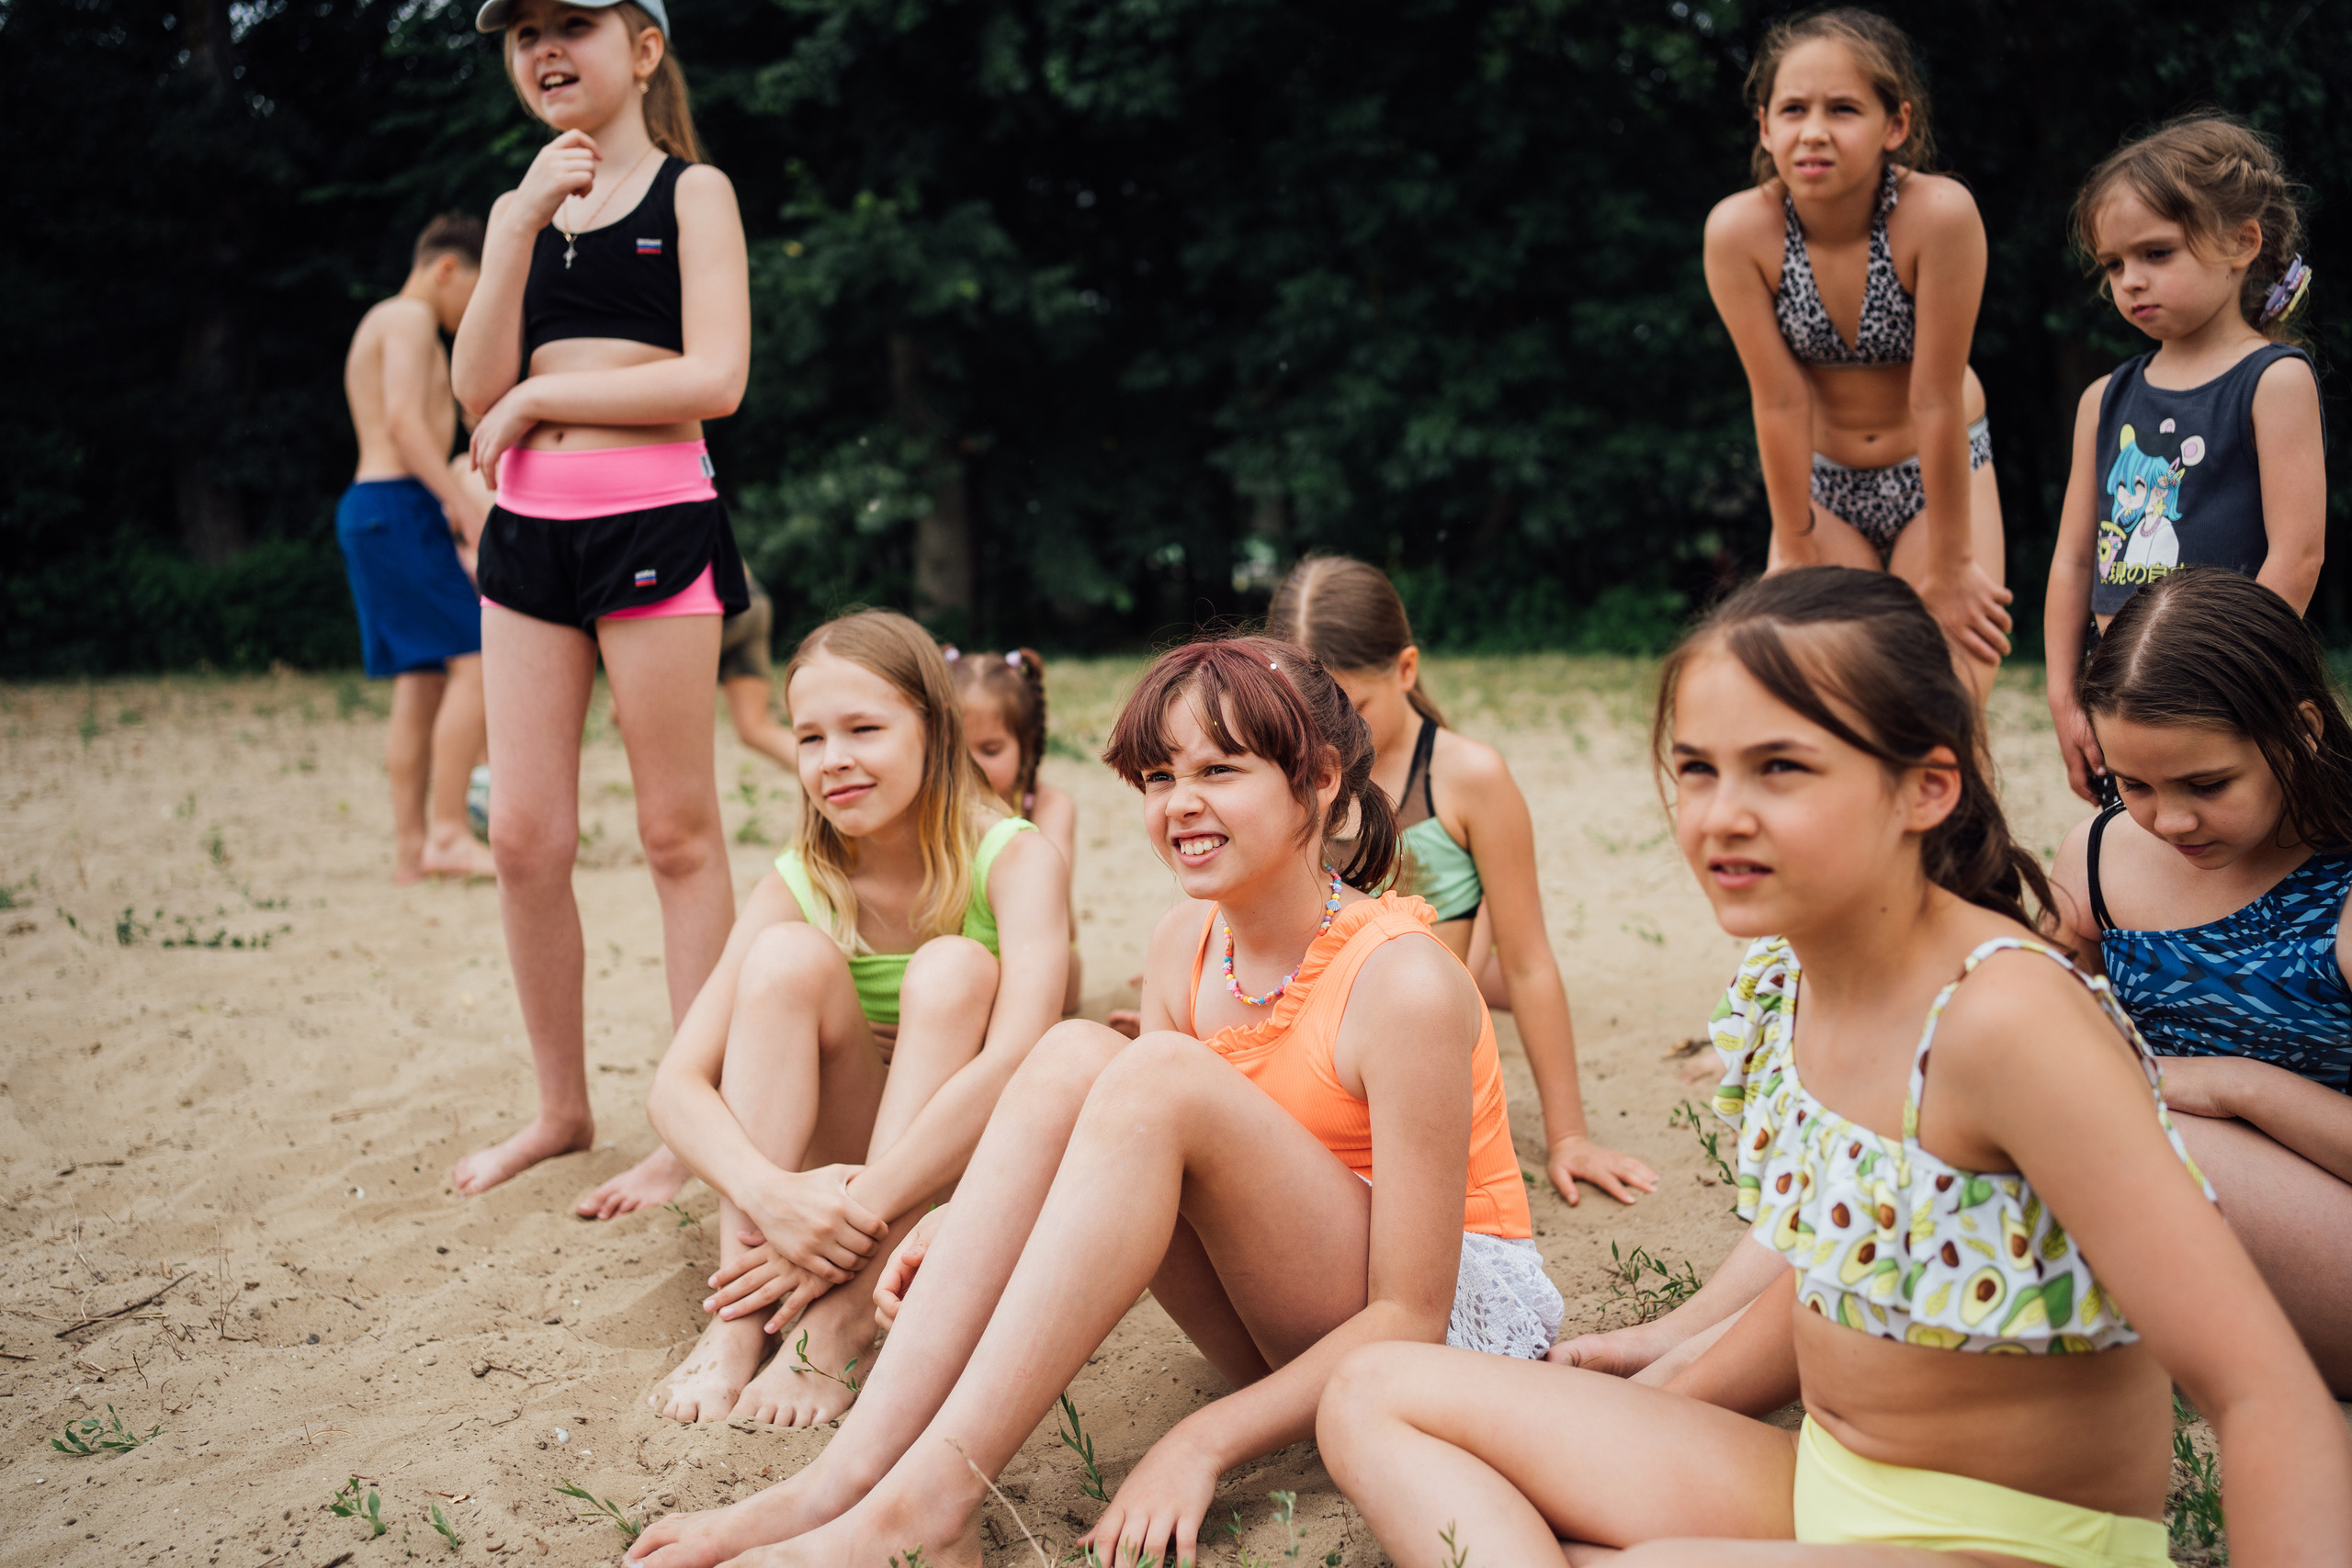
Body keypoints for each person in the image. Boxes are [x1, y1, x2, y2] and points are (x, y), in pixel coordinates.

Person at [1316, 568, 2352, 1567]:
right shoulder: (1799, 977)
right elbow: (1845, 1262)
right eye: (1696, 768)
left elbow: (2264, 1392)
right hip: (1825, 1484)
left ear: (1924, 788)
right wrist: (1658, 1388)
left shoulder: (2005, 1019)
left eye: (1782, 768)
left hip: (1999, 1542)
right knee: (1370, 1394)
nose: (1722, 814)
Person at [623, 635, 1559, 1568]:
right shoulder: (1183, 942)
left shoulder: (1403, 982)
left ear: (1317, 778)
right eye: (1157, 777)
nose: (1180, 804)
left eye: (1220, 770)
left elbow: (1410, 1316)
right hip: (1281, 1321)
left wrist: (1200, 1441)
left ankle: (927, 1506)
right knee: (1078, 1052)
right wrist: (970, 1223)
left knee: (1149, 1071)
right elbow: (1130, 1161)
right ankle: (843, 1482)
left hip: (1435, 1356)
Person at [448, 0, 752, 1218]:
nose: (544, 50)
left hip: (654, 523)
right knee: (524, 834)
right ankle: (561, 1105)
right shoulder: (520, 208)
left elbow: (717, 377)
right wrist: (517, 220)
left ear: (642, 48)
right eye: (521, 34)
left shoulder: (694, 196)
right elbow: (474, 387)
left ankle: (691, 1123)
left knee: (678, 832)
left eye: (572, 22)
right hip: (528, 538)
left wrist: (533, 405)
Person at [639, 611, 1066, 1427]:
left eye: (864, 728)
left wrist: (857, 1206)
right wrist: (771, 1193)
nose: (833, 760)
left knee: (954, 968)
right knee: (784, 959)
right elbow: (675, 1087)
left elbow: (1019, 1059)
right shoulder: (800, 878)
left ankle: (840, 1321)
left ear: (934, 731)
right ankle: (737, 1324)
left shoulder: (1012, 858)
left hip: (958, 1178)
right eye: (809, 738)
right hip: (824, 1184)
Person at [1268, 554, 1657, 1207]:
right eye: (1306, 715)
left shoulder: (1467, 777)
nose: (1326, 736)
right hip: (1313, 1042)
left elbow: (1530, 961)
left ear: (1407, 669)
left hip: (1409, 1043)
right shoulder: (1288, 770)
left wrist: (1569, 1137)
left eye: (1353, 707)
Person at [2046, 569, 2352, 1394]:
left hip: (2327, 1255)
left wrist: (2238, 1086)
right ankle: (1688, 1343)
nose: (2170, 820)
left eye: (2206, 784)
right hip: (2175, 1240)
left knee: (2111, 1133)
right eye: (2133, 784)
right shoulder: (2101, 858)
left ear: (2302, 730)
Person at [1702, 8, 2010, 702]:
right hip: (1826, 484)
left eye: (1843, 109)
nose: (1814, 131)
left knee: (1948, 695)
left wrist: (1955, 563)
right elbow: (1779, 398)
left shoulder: (1938, 216)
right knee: (1838, 696)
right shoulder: (1740, 232)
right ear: (1764, 127)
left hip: (1940, 474)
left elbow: (1935, 396)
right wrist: (1793, 542)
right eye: (1792, 109)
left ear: (1894, 126)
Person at [2043, 115, 2325, 804]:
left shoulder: (2272, 380)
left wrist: (2224, 677)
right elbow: (2076, 560)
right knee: (2141, 871)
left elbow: (2298, 555)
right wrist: (2064, 694)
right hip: (2121, 705)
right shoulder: (2103, 400)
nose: (2130, 281)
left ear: (2242, 243)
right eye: (2114, 264)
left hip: (2230, 697)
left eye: (2156, 254)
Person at [337, 213, 500, 885]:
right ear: (446, 270)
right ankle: (449, 831)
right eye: (479, 289)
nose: (479, 308)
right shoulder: (405, 320)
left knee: (423, 678)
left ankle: (413, 848)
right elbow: (404, 423)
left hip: (377, 510)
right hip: (398, 505)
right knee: (478, 659)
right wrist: (464, 507)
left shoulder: (391, 325)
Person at [944, 645, 1082, 1013]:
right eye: (955, 750)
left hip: (1043, 958)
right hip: (963, 964)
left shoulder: (1049, 805)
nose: (970, 766)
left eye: (990, 750)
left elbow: (1052, 909)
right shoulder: (930, 806)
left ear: (1027, 746)